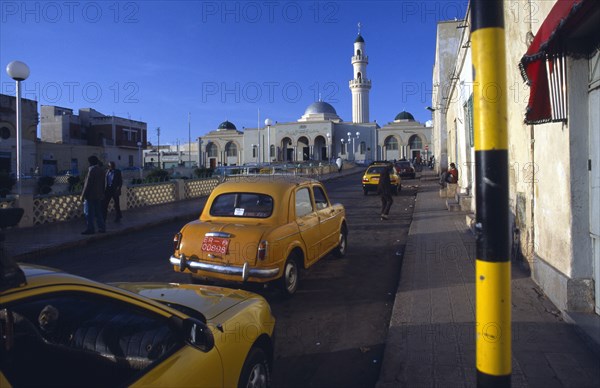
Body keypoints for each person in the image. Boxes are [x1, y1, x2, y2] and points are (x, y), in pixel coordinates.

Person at [80, 155, 106, 234]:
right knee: (98, 212)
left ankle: (90, 229)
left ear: (90, 162)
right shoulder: (101, 170)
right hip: (98, 195)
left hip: (90, 195)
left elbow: (87, 184)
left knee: (89, 213)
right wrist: (102, 193)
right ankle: (102, 228)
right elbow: (103, 183)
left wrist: (83, 195)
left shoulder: (91, 170)